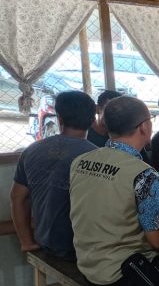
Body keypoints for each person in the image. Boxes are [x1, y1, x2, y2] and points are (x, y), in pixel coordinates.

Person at [69, 96, 159, 286]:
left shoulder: (80, 162)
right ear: (144, 127)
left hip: (88, 265)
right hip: (123, 273)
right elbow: (158, 242)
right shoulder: (142, 174)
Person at [10, 91, 97, 259]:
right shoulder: (97, 156)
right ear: (93, 121)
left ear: (59, 118)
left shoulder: (31, 151)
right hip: (82, 248)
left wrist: (26, 242)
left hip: (44, 242)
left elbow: (17, 197)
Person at [88, 90, 150, 161]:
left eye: (122, 111)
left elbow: (145, 164)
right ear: (97, 109)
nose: (115, 114)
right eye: (109, 109)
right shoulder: (86, 136)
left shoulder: (128, 135)